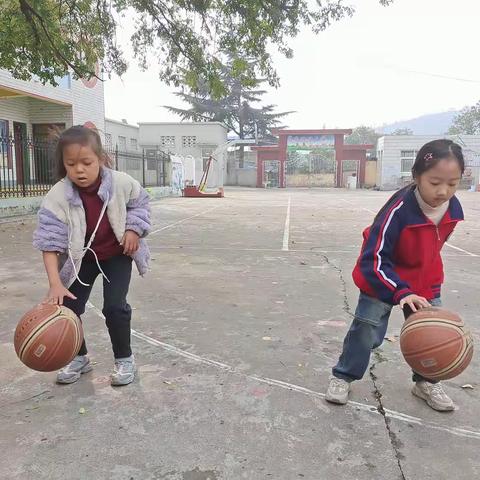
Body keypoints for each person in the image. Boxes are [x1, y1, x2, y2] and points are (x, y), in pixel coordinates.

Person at [325, 139, 465, 411]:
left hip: (424, 279)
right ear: (416, 177)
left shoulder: (453, 208)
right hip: (382, 276)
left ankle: (426, 382)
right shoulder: (397, 211)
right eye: (435, 182)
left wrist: (427, 283)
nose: (443, 191)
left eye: (453, 183)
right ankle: (343, 376)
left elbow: (433, 247)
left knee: (433, 334)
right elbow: (373, 258)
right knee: (366, 331)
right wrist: (400, 290)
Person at [33, 126, 151, 386]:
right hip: (81, 259)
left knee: (114, 307)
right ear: (63, 164)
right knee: (68, 307)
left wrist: (133, 229)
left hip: (117, 255)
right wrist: (55, 284)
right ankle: (79, 357)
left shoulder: (120, 183)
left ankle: (125, 359)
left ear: (100, 159)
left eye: (86, 162)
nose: (79, 170)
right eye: (71, 164)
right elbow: (49, 242)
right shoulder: (57, 197)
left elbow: (140, 203)